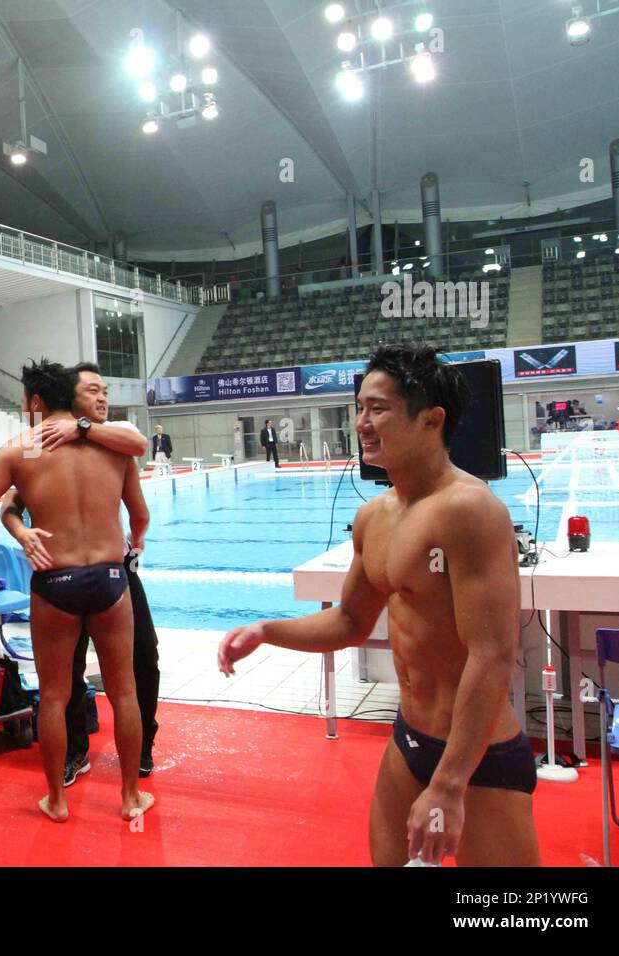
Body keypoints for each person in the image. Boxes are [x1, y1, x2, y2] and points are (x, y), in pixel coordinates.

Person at [219, 344, 539, 866]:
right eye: (360, 408)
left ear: (431, 420)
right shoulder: (375, 517)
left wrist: (450, 785)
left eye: (379, 409)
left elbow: (492, 654)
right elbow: (349, 621)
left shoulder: (471, 510)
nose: (362, 423)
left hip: (475, 758)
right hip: (408, 741)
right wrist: (265, 630)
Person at [0, 359, 153, 823]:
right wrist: (134, 543)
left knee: (53, 696)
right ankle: (131, 796)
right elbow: (140, 515)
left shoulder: (20, 450)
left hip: (55, 581)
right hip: (111, 581)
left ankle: (57, 799)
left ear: (35, 402)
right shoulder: (114, 449)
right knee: (124, 691)